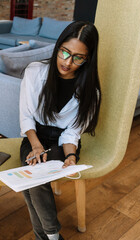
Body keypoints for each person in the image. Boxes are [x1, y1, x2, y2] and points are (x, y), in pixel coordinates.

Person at [19, 21, 101, 240]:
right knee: (33, 172)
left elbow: (71, 133)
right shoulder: (35, 72)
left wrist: (71, 156)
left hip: (63, 142)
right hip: (35, 136)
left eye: (78, 57)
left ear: (87, 59)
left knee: (35, 176)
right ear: (58, 47)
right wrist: (36, 146)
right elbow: (26, 117)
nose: (67, 62)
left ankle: (45, 237)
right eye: (64, 52)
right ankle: (53, 236)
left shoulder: (89, 92)